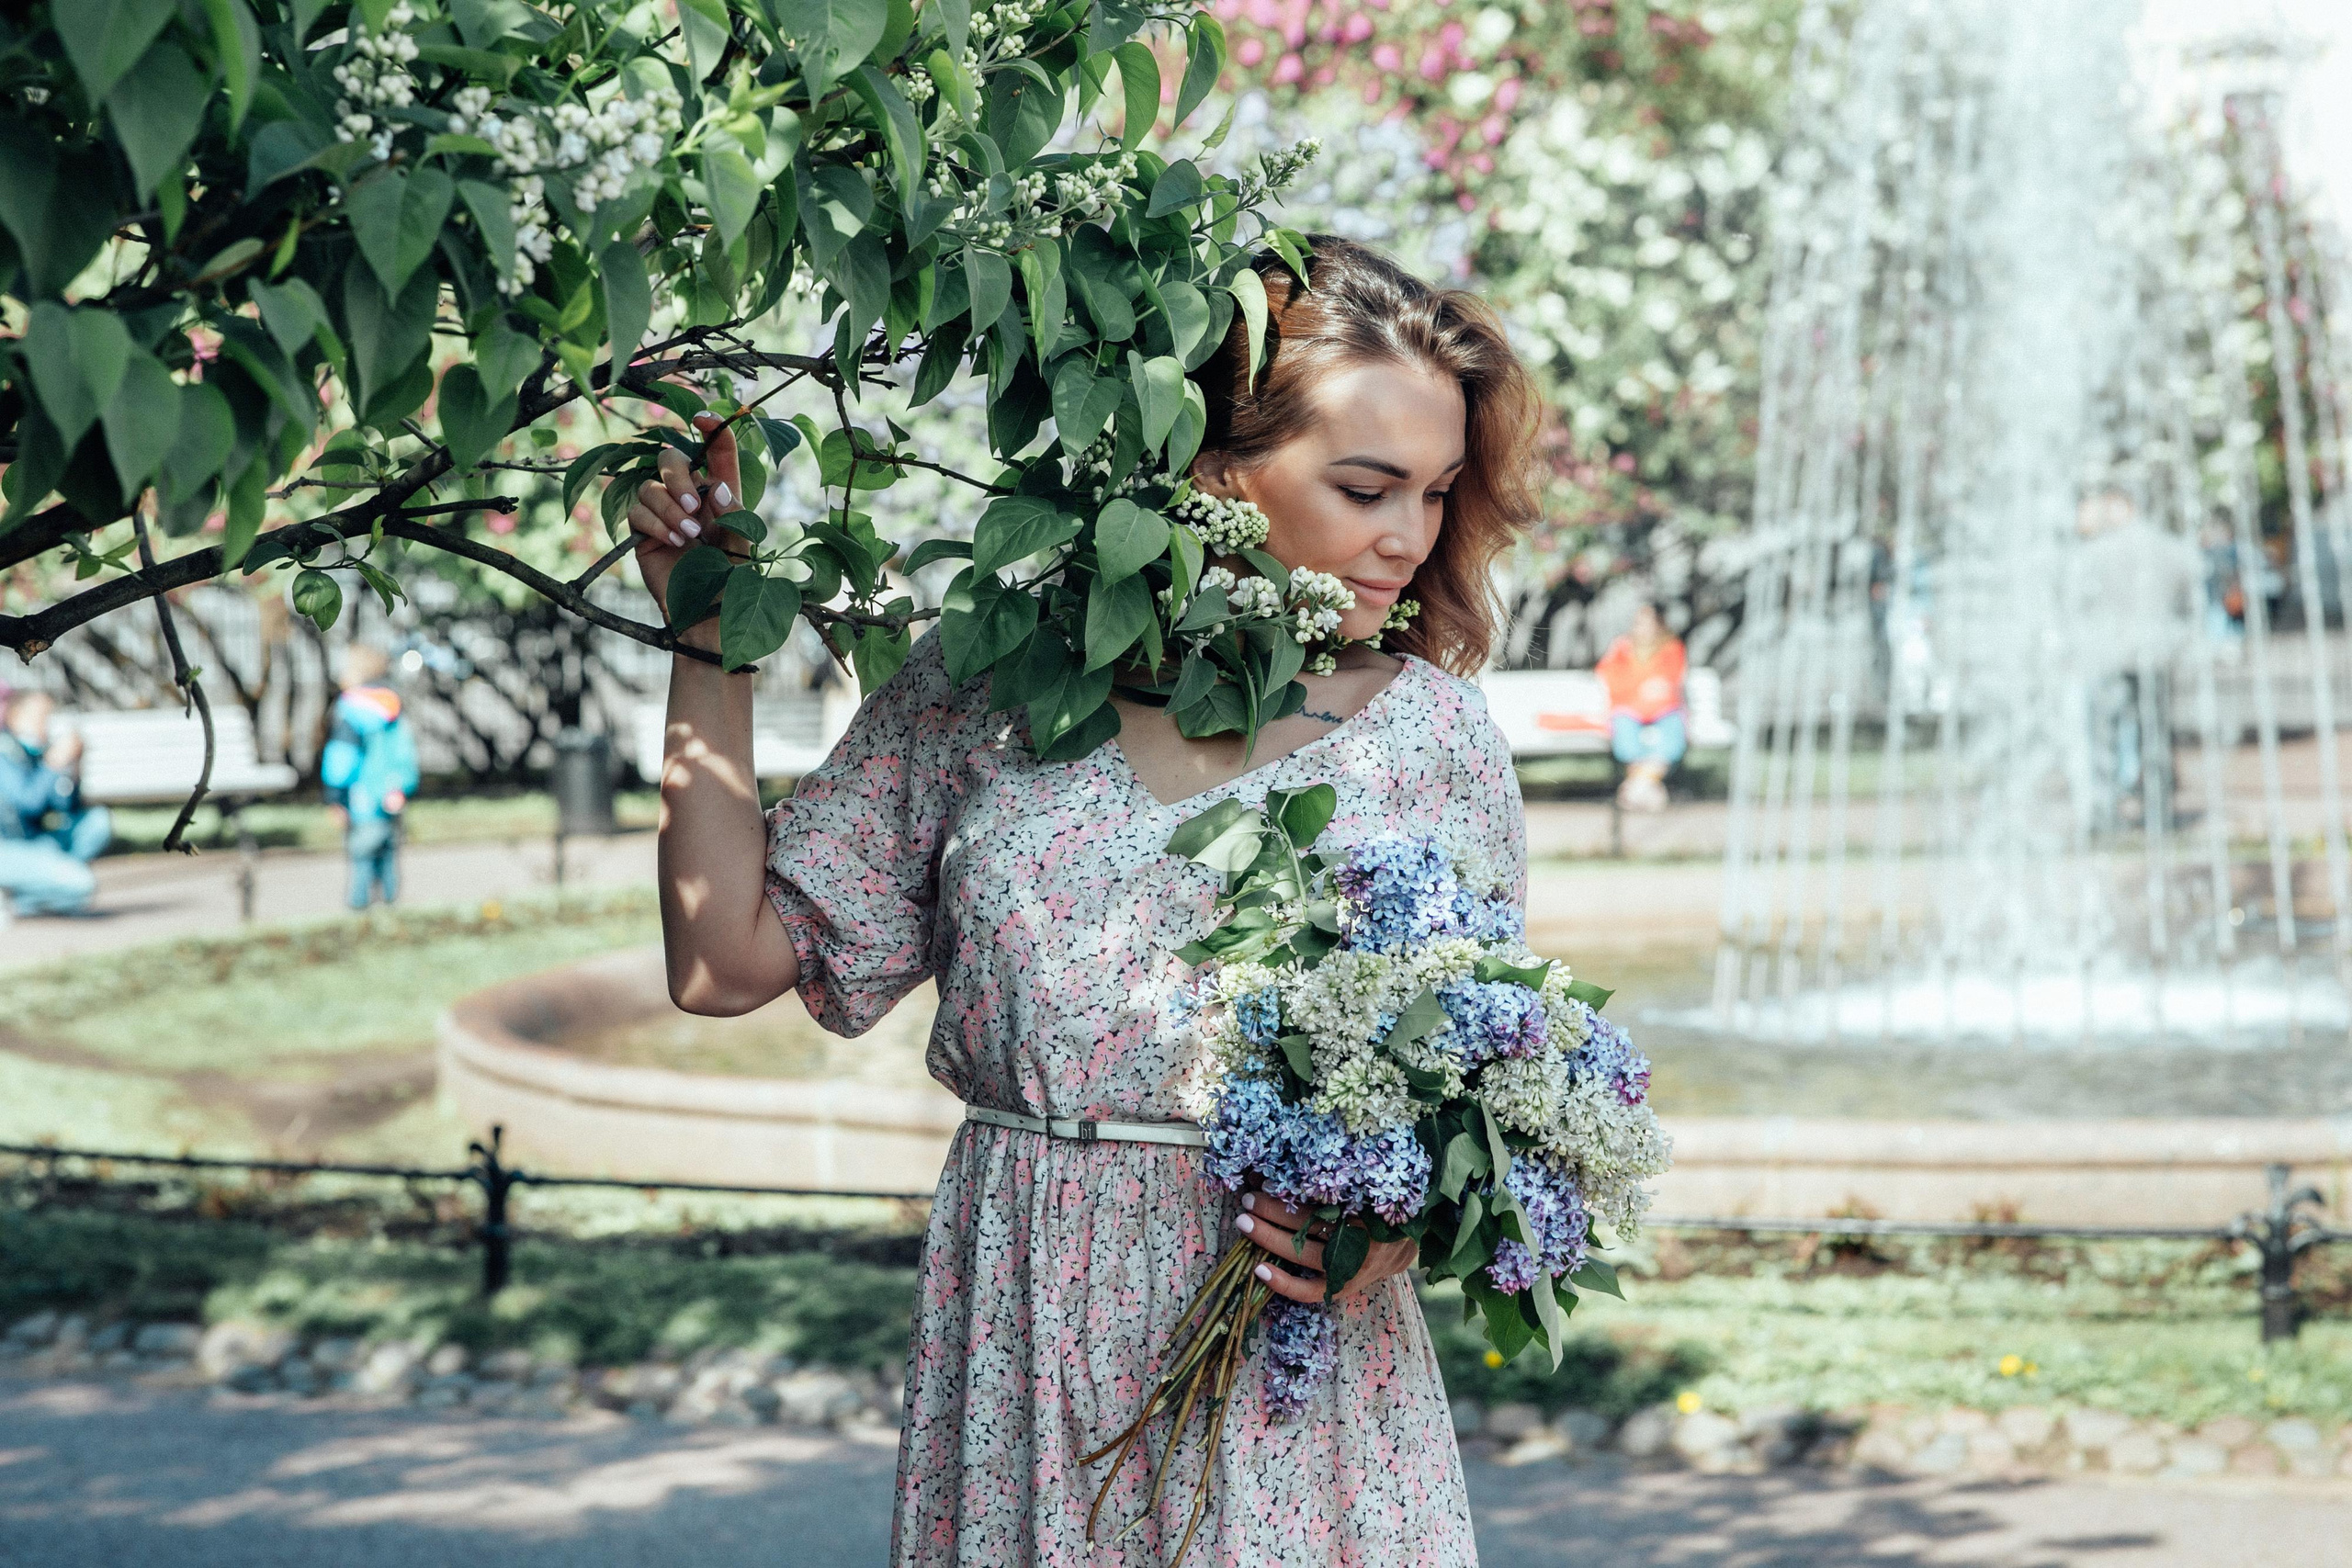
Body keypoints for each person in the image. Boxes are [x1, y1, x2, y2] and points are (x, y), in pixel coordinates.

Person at [628, 237, 1537, 1565]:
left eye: (1438, 494)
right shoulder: (988, 683)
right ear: (1208, 466)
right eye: (1365, 487)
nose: (1408, 537)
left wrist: (1395, 1233)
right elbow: (721, 961)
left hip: (1287, 1367)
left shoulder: (1435, 741)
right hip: (1020, 1324)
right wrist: (706, 641)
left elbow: (1483, 1097)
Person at [320, 646, 419, 909]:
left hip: (361, 799)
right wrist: (400, 786)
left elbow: (341, 759)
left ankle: (359, 910)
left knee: (361, 857)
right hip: (391, 795)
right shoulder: (392, 706)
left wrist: (334, 797)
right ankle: (389, 907)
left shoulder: (350, 711)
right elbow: (404, 752)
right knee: (388, 855)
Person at [0, 689, 111, 919]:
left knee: (98, 821)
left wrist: (74, 769)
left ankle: (29, 892)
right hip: (8, 849)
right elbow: (28, 802)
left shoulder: (35, 753)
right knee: (81, 885)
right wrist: (53, 764)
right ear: (15, 716)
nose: (46, 725)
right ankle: (19, 901)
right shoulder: (3, 752)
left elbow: (64, 809)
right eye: (40, 717)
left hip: (38, 843)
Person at [1598, 601, 1688, 812]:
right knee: (1624, 729)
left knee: (1673, 729)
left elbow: (1671, 680)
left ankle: (1635, 789)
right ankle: (1648, 790)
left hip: (1662, 708)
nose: (1642, 628)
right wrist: (1642, 688)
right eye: (1638, 623)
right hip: (1630, 707)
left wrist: (1651, 688)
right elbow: (1610, 676)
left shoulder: (1671, 647)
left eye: (1647, 623)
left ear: (1659, 624)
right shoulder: (1622, 648)